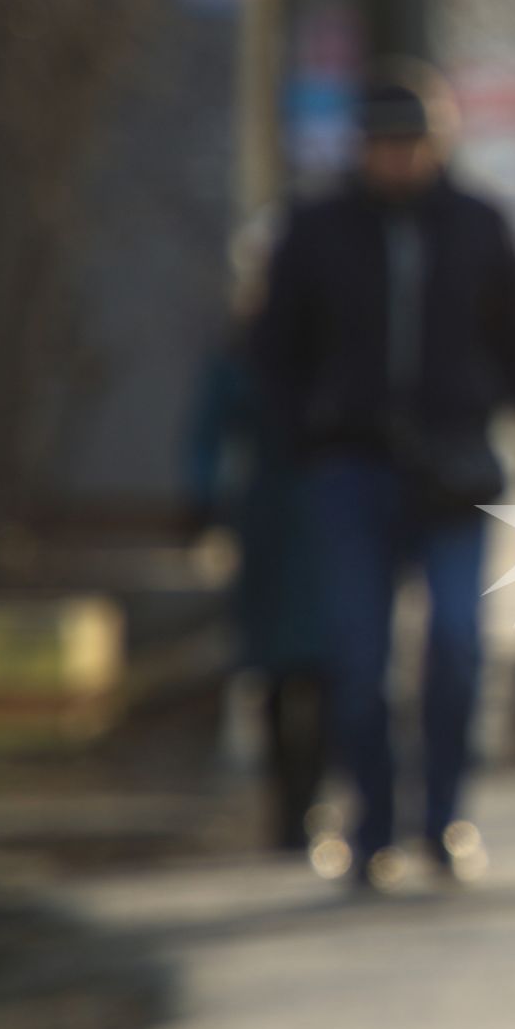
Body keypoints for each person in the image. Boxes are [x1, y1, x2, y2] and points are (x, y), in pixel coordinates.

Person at [252, 65, 515, 889]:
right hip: (350, 468)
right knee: (358, 656)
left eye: (413, 143)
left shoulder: (479, 224)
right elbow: (276, 352)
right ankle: (373, 826)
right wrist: (292, 447)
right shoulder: (315, 230)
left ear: (438, 143)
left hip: (455, 465)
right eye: (385, 145)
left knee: (457, 644)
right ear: (362, 149)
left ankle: (444, 819)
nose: (399, 159)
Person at [184, 215, 328, 853]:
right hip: (271, 516)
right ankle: (287, 808)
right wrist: (203, 502)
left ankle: (308, 802)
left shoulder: (332, 339)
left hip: (325, 510)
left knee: (323, 667)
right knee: (274, 668)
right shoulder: (244, 348)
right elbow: (210, 429)